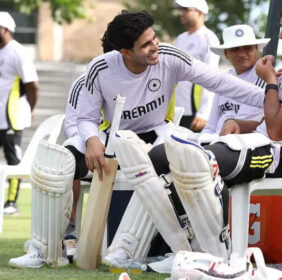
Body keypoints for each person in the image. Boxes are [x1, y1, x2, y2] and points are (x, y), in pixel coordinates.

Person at [9, 9, 265, 269]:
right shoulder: (100, 68)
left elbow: (219, 82)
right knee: (59, 161)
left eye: (154, 39)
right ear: (125, 52)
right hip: (113, 140)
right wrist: (91, 141)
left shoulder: (168, 56)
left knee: (165, 162)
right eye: (146, 45)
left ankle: (127, 250)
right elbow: (85, 118)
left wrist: (269, 98)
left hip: (156, 137)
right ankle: (45, 250)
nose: (155, 47)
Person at [110, 0, 282, 272]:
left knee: (192, 161)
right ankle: (174, 248)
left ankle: (214, 255)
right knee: (158, 157)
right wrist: (236, 121)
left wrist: (270, 82)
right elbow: (268, 119)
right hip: (256, 146)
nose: (280, 36)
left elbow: (276, 131)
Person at [101, 24, 269, 269]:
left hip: (250, 148)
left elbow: (270, 120)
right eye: (234, 49)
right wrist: (201, 138)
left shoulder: (264, 78)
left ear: (257, 48)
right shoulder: (231, 78)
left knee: (176, 161)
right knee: (158, 159)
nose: (241, 53)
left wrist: (240, 121)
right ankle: (141, 246)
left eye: (247, 47)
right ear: (226, 54)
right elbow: (213, 124)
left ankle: (208, 254)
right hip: (222, 144)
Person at [0, 12, 39, 216]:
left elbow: (33, 85)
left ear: (5, 29)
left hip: (12, 118)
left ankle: (11, 203)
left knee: (13, 161)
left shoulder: (17, 52)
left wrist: (29, 109)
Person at [173, 0, 220, 132]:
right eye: (181, 10)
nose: (181, 13)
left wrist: (204, 113)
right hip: (177, 110)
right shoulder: (180, 38)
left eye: (186, 9)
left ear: (200, 12)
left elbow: (212, 77)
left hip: (196, 112)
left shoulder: (209, 38)